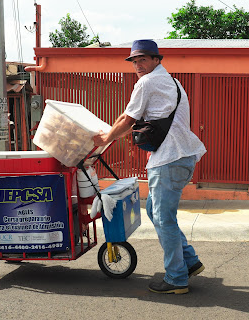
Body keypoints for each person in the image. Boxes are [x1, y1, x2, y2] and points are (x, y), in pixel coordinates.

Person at [93, 39, 207, 294]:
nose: (138, 65)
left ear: (157, 60)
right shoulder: (174, 82)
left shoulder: (147, 82)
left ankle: (177, 278)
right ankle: (189, 262)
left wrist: (105, 139)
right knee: (158, 213)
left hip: (169, 158)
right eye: (134, 61)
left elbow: (127, 118)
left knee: (163, 218)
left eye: (143, 59)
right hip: (180, 156)